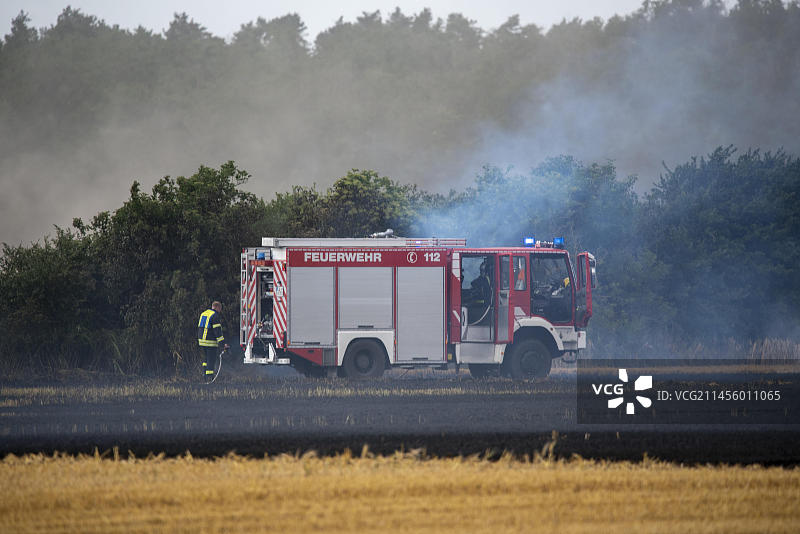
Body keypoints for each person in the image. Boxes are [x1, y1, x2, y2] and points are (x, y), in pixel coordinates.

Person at [197, 301, 229, 380]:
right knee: (211, 360)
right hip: (210, 342)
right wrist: (222, 344)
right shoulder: (215, 315)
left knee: (205, 360)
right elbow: (217, 331)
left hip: (201, 341)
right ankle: (209, 378)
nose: (220, 311)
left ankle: (204, 376)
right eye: (220, 309)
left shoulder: (204, 313)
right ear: (218, 307)